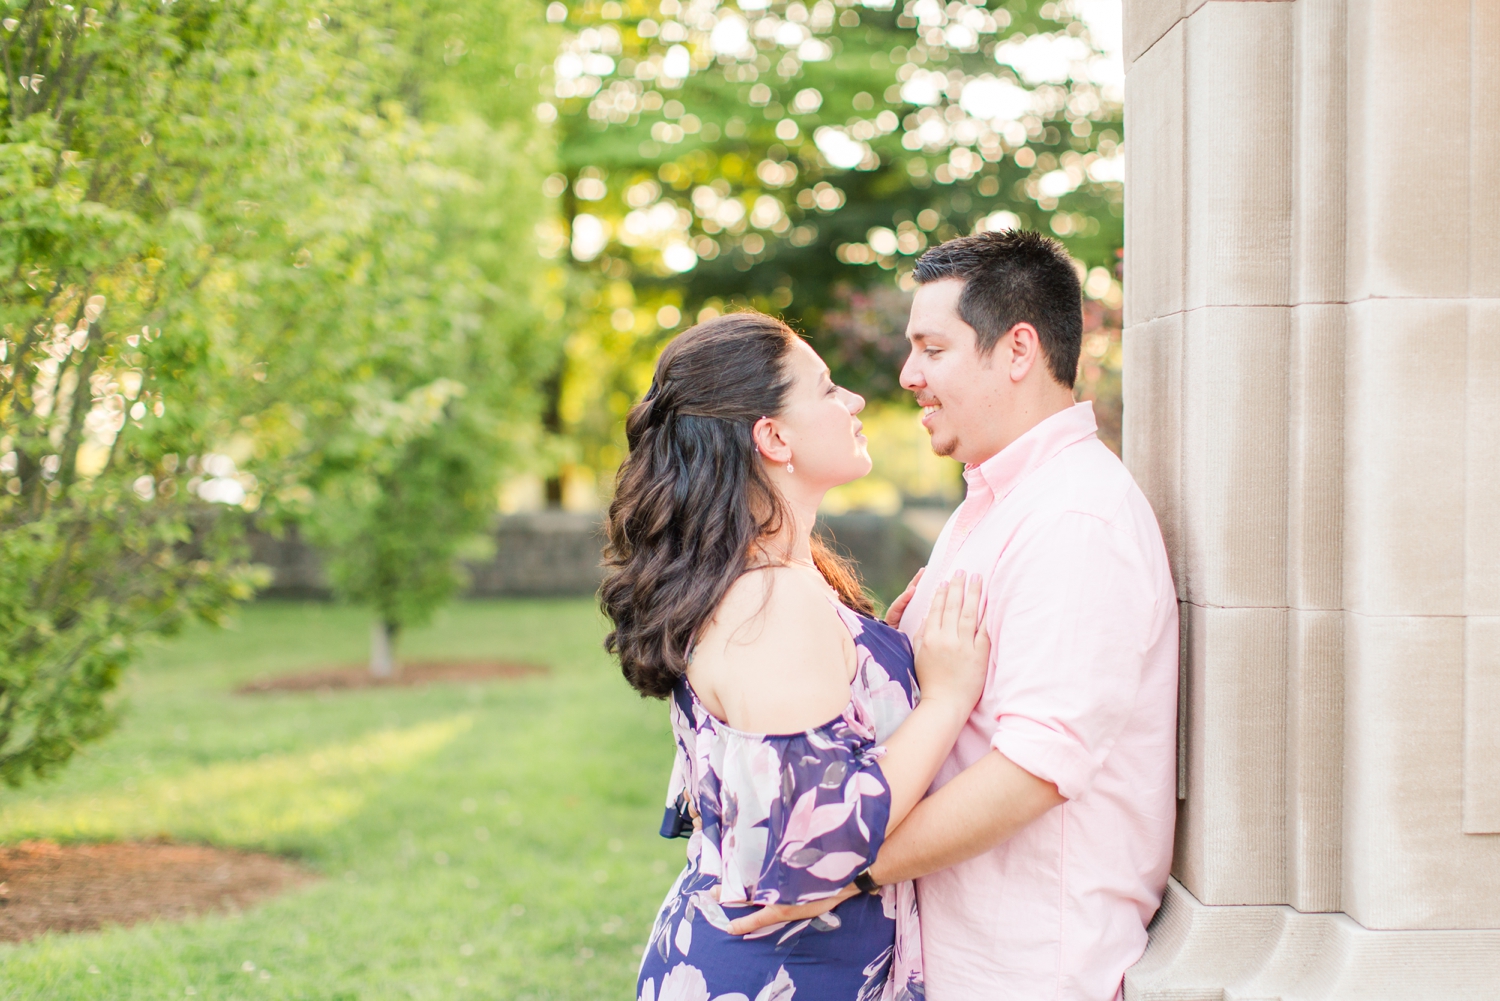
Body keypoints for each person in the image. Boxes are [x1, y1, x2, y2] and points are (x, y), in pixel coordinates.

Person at [726, 231, 1180, 1001]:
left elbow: (1036, 768)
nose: (908, 375)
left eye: (932, 348)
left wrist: (848, 872)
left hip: (1025, 969)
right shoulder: (998, 504)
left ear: (1017, 350)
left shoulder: (1075, 518)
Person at [601, 311, 991, 1001]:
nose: (855, 401)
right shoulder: (771, 600)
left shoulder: (776, 576)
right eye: (828, 388)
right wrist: (947, 698)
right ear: (773, 435)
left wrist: (885, 652)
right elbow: (815, 847)